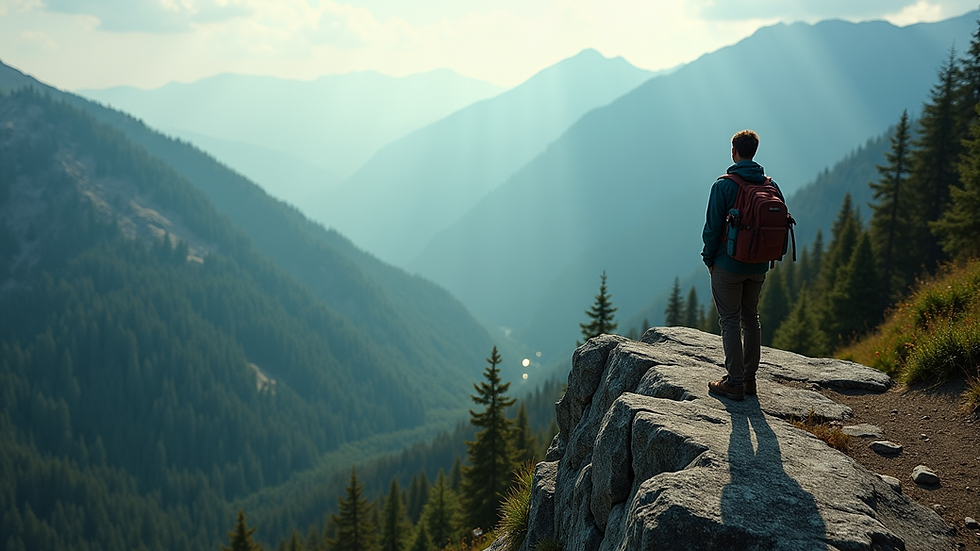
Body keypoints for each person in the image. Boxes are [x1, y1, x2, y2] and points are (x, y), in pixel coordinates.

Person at [701, 130, 785, 401]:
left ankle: (734, 382)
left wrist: (709, 259)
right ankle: (749, 380)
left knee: (729, 321)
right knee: (751, 319)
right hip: (759, 265)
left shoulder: (723, 186)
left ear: (734, 152)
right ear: (754, 152)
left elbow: (712, 228)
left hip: (728, 264)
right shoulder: (771, 185)